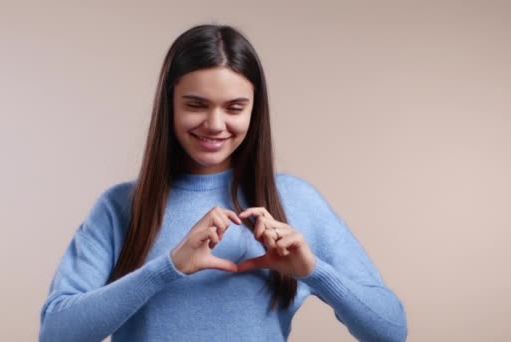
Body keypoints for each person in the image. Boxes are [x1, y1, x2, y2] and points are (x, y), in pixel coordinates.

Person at [38, 24, 408, 342]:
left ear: (253, 110)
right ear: (169, 105)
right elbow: (56, 332)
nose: (215, 124)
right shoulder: (120, 207)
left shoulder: (296, 201)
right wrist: (167, 267)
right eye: (196, 104)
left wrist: (314, 271)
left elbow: (390, 330)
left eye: (234, 107)